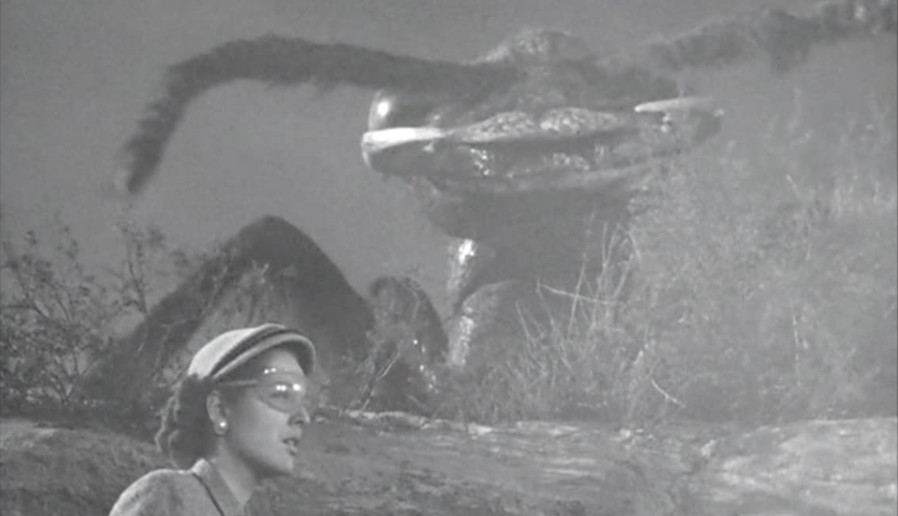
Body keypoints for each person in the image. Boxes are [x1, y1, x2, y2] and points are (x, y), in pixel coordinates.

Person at [108, 323, 318, 516]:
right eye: (281, 393)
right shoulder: (169, 496)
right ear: (219, 410)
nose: (302, 417)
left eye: (303, 400)